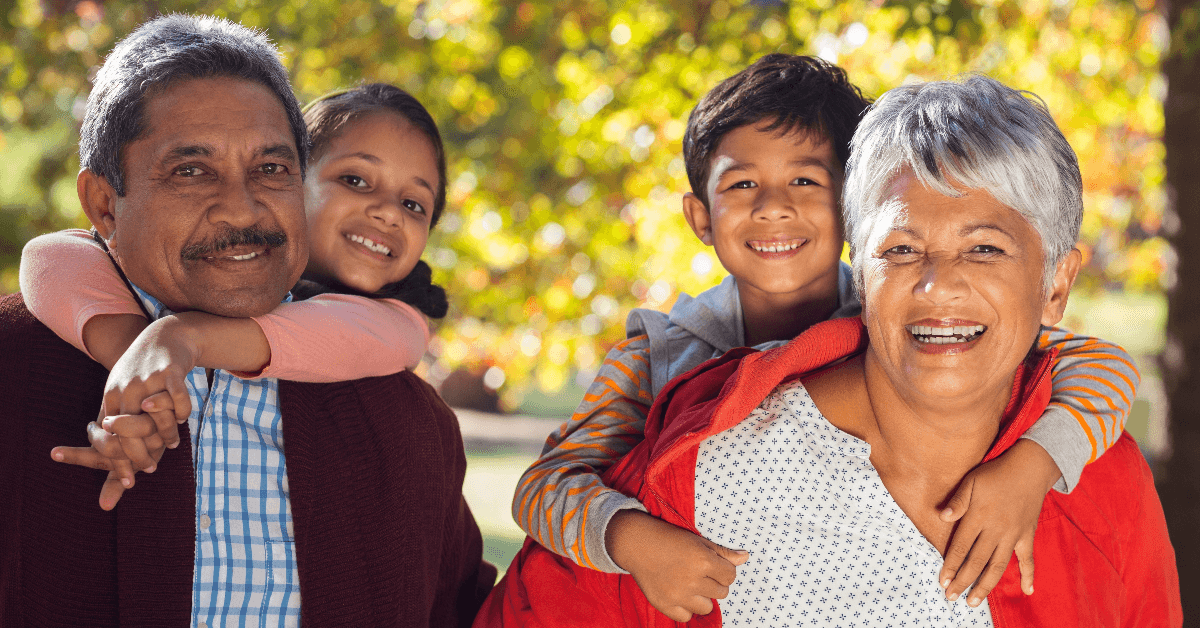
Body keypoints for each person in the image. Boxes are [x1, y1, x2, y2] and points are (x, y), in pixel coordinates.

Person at [478, 75, 1181, 627]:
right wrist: (632, 538)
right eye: (902, 250)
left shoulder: (1093, 473)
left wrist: (1037, 463)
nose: (938, 286)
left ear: (1057, 283)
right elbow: (548, 486)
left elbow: (1101, 366)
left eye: (985, 249)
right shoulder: (667, 390)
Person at [0, 15, 493, 627]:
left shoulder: (413, 423)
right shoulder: (16, 365)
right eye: (191, 170)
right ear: (104, 204)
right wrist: (131, 355)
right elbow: (50, 256)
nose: (241, 208)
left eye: (271, 169)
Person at [20, 83, 450, 508]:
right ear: (287, 182)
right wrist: (136, 365)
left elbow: (329, 332)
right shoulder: (223, 276)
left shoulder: (399, 325)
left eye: (414, 204)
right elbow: (50, 255)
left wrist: (180, 338)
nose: (389, 212)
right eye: (355, 180)